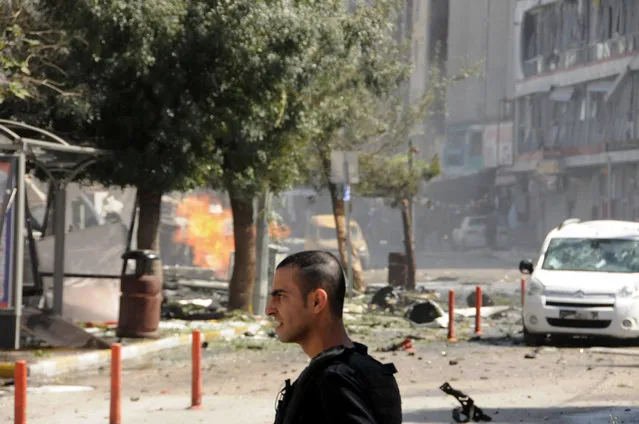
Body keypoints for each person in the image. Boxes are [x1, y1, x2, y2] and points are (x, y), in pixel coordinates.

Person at [267, 250, 402, 424]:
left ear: (316, 301)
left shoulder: (335, 380)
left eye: (281, 296)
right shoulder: (355, 370)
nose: (269, 310)